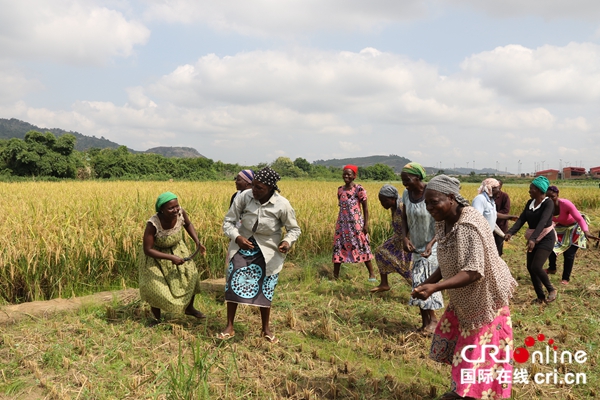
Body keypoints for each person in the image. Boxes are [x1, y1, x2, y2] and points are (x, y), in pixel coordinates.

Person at [413, 175, 517, 400]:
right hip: (465, 298)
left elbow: (473, 272)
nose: (430, 207)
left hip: (485, 298)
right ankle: (465, 393)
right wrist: (429, 282)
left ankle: (465, 394)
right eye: (427, 203)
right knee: (471, 354)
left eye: (434, 202)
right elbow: (449, 257)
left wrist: (436, 287)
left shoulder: (468, 224)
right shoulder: (443, 220)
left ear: (451, 197)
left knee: (475, 355)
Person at [219, 167, 301, 342]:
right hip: (243, 244)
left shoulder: (282, 204)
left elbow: (294, 229)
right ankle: (229, 326)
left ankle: (265, 329)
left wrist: (287, 242)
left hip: (268, 249)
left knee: (265, 288)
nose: (254, 190)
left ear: (271, 188)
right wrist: (237, 237)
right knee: (233, 283)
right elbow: (228, 222)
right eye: (254, 185)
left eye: (259, 188)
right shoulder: (244, 197)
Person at [139, 192, 207, 327]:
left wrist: (197, 242)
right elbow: (148, 249)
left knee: (191, 277)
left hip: (178, 249)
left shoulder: (180, 213)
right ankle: (156, 318)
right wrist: (170, 258)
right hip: (156, 256)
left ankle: (189, 308)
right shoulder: (153, 224)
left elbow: (188, 224)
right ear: (162, 210)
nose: (175, 210)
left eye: (176, 206)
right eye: (171, 208)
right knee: (155, 287)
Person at [400, 162, 444, 333]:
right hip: (416, 246)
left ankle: (433, 320)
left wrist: (431, 243)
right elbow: (404, 217)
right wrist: (405, 237)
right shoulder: (406, 194)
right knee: (417, 283)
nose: (405, 184)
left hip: (434, 244)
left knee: (424, 280)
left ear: (417, 178)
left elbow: (441, 221)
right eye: (403, 180)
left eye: (408, 180)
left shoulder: (431, 193)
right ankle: (425, 322)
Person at [505, 176, 557, 304]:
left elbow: (543, 221)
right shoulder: (530, 203)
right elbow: (522, 219)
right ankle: (540, 297)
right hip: (534, 238)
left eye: (532, 188)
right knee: (530, 267)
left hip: (546, 238)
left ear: (539, 190)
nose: (529, 191)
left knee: (536, 266)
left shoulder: (548, 203)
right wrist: (510, 232)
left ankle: (551, 290)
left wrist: (533, 238)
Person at [545, 186, 598, 284]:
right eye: (547, 197)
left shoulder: (565, 204)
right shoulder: (546, 206)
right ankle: (552, 268)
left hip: (575, 227)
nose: (550, 199)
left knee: (569, 253)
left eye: (552, 196)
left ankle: (566, 278)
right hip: (561, 228)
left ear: (557, 195)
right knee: (551, 246)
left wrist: (586, 232)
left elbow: (579, 219)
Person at [332, 164, 376, 281]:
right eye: (344, 174)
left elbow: (365, 208)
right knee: (339, 247)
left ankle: (372, 274)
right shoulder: (340, 190)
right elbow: (341, 207)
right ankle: (335, 276)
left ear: (354, 176)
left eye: (349, 174)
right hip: (342, 225)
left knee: (362, 245)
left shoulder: (359, 189)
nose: (346, 176)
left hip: (356, 225)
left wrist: (366, 224)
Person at [370, 184, 412, 293]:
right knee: (379, 252)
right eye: (381, 201)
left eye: (384, 201)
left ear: (393, 198)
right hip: (397, 238)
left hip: (407, 240)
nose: (382, 204)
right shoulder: (393, 207)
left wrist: (406, 241)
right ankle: (384, 284)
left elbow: (410, 225)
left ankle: (420, 288)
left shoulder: (402, 206)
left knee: (405, 268)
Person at [492, 179, 518, 256]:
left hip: (501, 225)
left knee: (498, 247)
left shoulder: (504, 196)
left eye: (498, 186)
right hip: (490, 226)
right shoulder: (489, 196)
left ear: (501, 186)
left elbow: (506, 210)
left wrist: (494, 215)